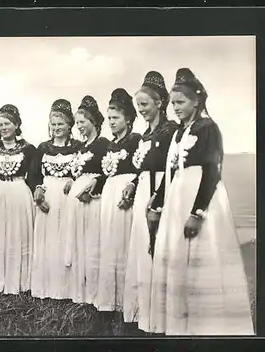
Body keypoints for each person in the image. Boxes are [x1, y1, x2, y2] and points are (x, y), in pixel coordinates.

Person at [147, 68, 254, 335]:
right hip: (176, 199)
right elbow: (169, 174)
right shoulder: (178, 133)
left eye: (180, 102)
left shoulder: (209, 129)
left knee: (201, 258)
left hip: (200, 200)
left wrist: (197, 213)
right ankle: (180, 325)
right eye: (172, 103)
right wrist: (156, 205)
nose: (175, 108)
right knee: (178, 259)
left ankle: (207, 326)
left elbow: (212, 171)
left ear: (197, 100)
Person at [122, 71, 179, 333]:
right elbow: (143, 167)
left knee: (158, 247)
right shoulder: (144, 135)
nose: (141, 110)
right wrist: (133, 184)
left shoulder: (171, 132)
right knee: (143, 248)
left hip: (161, 192)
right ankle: (143, 313)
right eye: (138, 106)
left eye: (144, 104)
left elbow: (173, 168)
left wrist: (158, 199)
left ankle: (163, 316)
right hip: (144, 189)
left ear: (160, 102)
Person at [0, 104, 37, 295]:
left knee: (16, 235)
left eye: (7, 123)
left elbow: (35, 176)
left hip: (19, 193)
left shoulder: (28, 149)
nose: (3, 128)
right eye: (0, 124)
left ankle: (18, 282)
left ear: (16, 124)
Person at [95, 89, 142, 322]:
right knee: (110, 243)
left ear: (128, 119)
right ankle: (109, 302)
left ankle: (127, 303)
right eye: (109, 118)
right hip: (109, 193)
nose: (111, 122)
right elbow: (106, 174)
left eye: (115, 118)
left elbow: (142, 170)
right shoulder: (110, 144)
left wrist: (132, 186)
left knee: (123, 243)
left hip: (124, 194)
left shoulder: (135, 140)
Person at [30, 99, 82, 300]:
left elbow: (85, 168)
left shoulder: (78, 147)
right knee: (48, 239)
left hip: (69, 197)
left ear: (70, 125)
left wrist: (75, 180)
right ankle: (47, 288)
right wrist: (38, 191)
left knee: (67, 237)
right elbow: (34, 175)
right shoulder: (43, 148)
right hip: (48, 197)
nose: (57, 128)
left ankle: (67, 289)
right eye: (53, 124)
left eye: (61, 124)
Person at [61, 95, 110, 304]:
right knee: (79, 244)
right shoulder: (80, 147)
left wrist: (94, 185)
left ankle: (95, 294)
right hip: (77, 201)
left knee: (92, 244)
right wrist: (74, 181)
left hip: (93, 201)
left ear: (94, 122)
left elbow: (109, 171)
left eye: (82, 122)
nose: (79, 127)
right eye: (77, 123)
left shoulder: (103, 144)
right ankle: (79, 293)